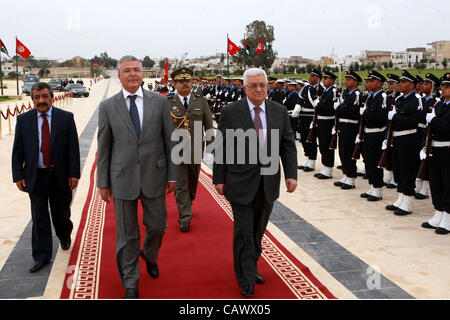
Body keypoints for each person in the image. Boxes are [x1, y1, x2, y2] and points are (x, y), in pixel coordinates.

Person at [96, 55, 177, 299]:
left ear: (143, 74)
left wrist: (172, 175)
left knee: (158, 226)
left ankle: (149, 255)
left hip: (155, 175)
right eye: (127, 70)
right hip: (122, 178)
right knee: (127, 235)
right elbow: (104, 146)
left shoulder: (159, 102)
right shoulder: (108, 106)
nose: (132, 74)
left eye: (137, 70)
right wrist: (103, 182)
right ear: (118, 76)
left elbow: (169, 140)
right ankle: (130, 282)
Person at [213, 68, 298, 297]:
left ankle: (249, 264)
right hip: (239, 181)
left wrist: (291, 174)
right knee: (243, 230)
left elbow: (288, 144)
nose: (259, 89)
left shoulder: (279, 111)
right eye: (254, 85)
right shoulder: (231, 111)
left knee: (257, 230)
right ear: (245, 88)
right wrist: (219, 178)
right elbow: (221, 146)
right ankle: (247, 277)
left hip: (269, 183)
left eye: (262, 84)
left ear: (267, 86)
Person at [12, 82, 80, 273]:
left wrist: (74, 173)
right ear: (32, 99)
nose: (41, 101)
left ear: (51, 97)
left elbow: (73, 148)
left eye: (44, 96)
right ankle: (41, 256)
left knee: (61, 214)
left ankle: (64, 233)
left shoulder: (65, 118)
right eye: (36, 97)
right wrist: (18, 174)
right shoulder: (23, 120)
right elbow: (17, 150)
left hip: (60, 176)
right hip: (36, 177)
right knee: (39, 217)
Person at [167, 68, 214, 232]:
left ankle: (189, 201)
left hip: (195, 150)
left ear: (192, 82)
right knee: (181, 184)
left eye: (187, 81)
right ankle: (184, 216)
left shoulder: (200, 102)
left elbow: (209, 126)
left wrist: (211, 149)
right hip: (176, 152)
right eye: (181, 81)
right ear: (175, 84)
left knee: (193, 182)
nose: (185, 84)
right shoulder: (168, 103)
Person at [384, 70, 422, 216]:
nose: (399, 85)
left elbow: (413, 121)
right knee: (398, 170)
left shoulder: (415, 100)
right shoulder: (399, 99)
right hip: (396, 138)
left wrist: (395, 118)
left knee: (407, 171)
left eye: (403, 82)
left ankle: (407, 202)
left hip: (408, 139)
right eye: (399, 82)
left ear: (411, 85)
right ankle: (401, 197)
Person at [421, 72, 450, 235]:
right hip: (434, 148)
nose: (444, 89)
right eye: (443, 86)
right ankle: (438, 211)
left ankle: (448, 216)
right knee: (436, 183)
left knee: (447, 184)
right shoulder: (439, 105)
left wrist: (434, 120)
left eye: (448, 87)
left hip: (447, 149)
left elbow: (447, 128)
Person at [359, 70, 389, 202]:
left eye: (371, 81)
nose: (368, 83)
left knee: (376, 162)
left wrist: (365, 113)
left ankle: (378, 188)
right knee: (368, 161)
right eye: (368, 81)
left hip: (377, 133)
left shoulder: (382, 97)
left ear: (379, 83)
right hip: (368, 132)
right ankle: (372, 185)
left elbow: (381, 118)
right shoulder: (371, 97)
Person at [333, 71, 362, 189]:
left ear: (355, 82)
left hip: (351, 126)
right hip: (342, 126)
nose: (346, 81)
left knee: (350, 152)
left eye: (349, 79)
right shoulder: (345, 93)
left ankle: (351, 177)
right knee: (342, 151)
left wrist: (341, 107)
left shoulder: (357, 95)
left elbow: (353, 112)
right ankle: (346, 174)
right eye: (346, 79)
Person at [313, 71, 338, 179]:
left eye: (327, 78)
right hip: (321, 121)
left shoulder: (333, 91)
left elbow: (330, 109)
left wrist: (319, 105)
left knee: (327, 146)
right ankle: (325, 166)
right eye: (324, 78)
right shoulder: (325, 92)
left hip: (328, 122)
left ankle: (328, 168)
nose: (324, 80)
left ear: (332, 80)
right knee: (322, 145)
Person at [298, 70, 323, 172]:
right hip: (304, 115)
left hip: (312, 116)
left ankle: (312, 160)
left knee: (311, 138)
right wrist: (298, 107)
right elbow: (300, 98)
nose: (310, 77)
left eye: (313, 76)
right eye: (311, 75)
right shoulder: (306, 88)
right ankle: (307, 157)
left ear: (318, 78)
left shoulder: (321, 89)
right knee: (304, 138)